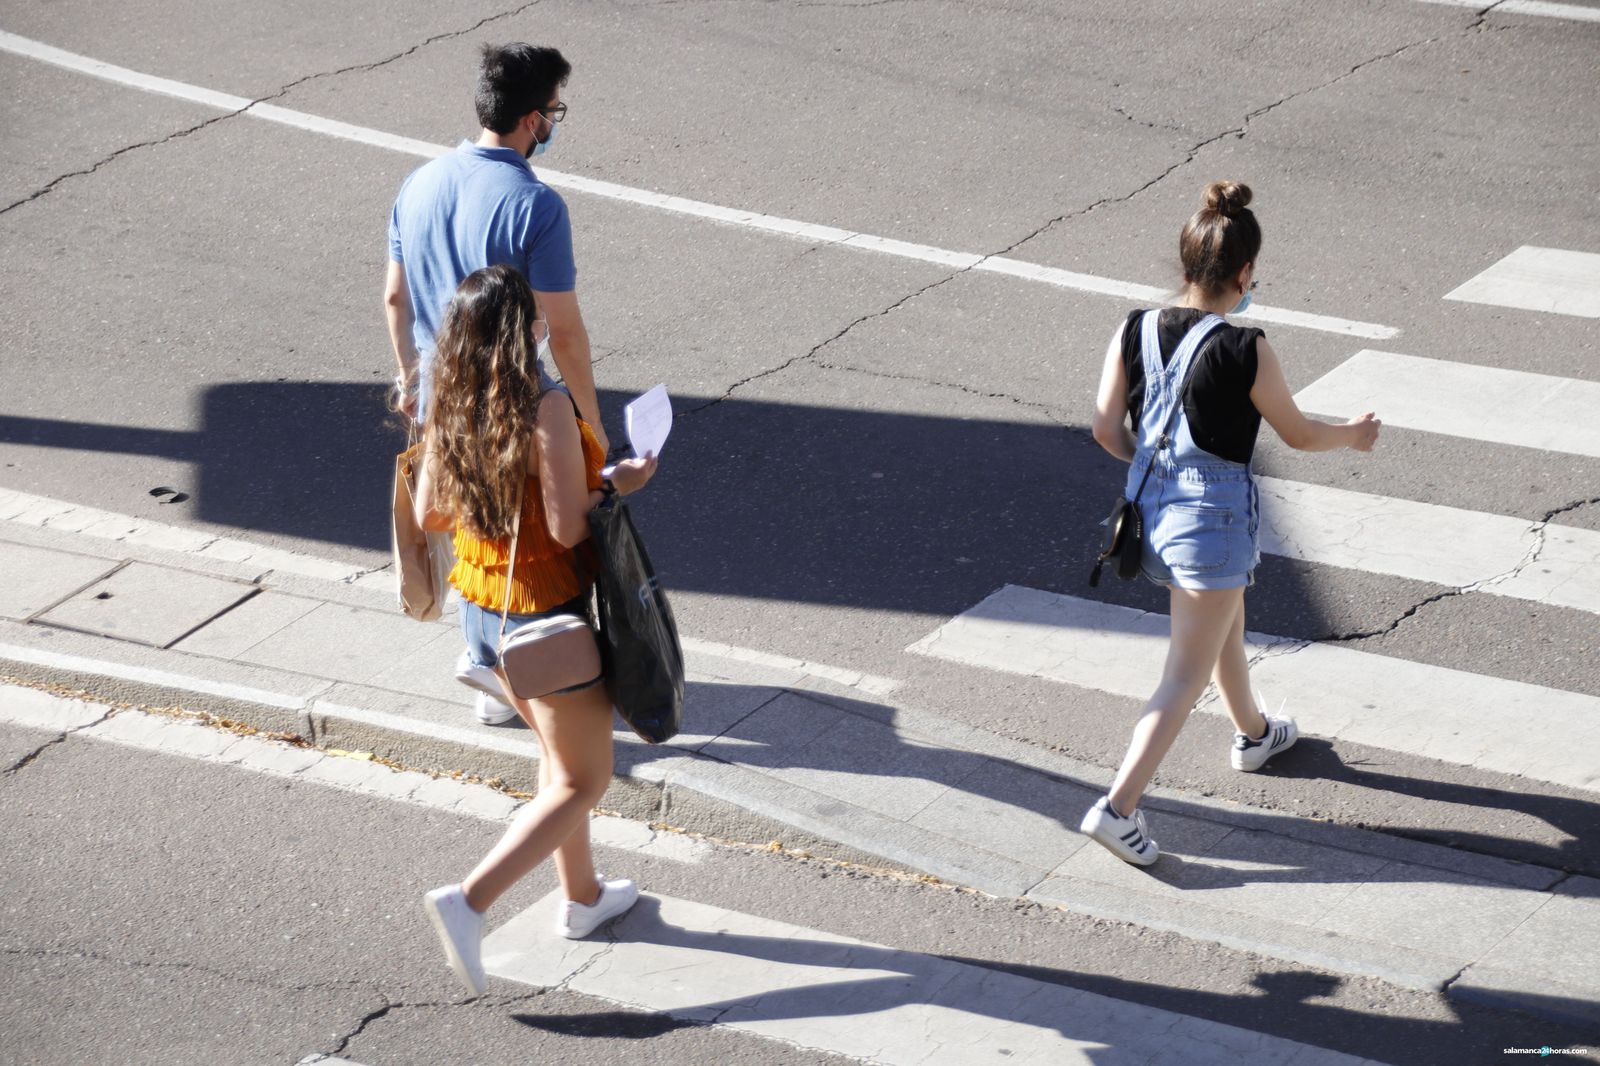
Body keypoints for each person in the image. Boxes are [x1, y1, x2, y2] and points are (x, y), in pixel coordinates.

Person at [1079, 181, 1381, 866]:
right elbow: (1298, 435)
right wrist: (1354, 436)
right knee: (1183, 675)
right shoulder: (1247, 347)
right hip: (1209, 524)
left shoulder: (1133, 328)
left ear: (1186, 264)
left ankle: (1255, 733)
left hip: (1149, 515)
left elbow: (1104, 428)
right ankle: (1117, 808)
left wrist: (1152, 469)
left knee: (1220, 621)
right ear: (1243, 274)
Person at [412, 265, 657, 995]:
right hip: (543, 615)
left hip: (482, 614)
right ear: (523, 332)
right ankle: (470, 900)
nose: (544, 333)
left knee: (558, 765)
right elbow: (565, 523)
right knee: (586, 778)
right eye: (536, 323)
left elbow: (430, 512)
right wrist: (619, 482)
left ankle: (582, 899)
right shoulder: (543, 404)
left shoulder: (452, 400)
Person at [384, 42, 610, 726]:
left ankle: (483, 652)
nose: (553, 124)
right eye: (555, 112)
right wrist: (591, 424)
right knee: (535, 533)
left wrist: (410, 378)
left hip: (443, 394)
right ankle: (525, 667)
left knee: (471, 523)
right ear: (533, 119)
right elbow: (564, 332)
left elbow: (396, 299)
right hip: (512, 395)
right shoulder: (535, 205)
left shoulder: (417, 184)